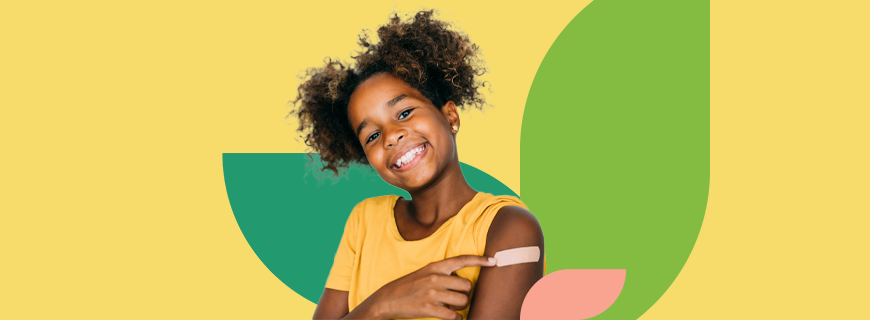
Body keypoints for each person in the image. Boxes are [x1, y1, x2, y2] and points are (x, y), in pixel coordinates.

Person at [290, 10, 545, 320]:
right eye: (372, 135)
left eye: (404, 113)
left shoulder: (509, 228)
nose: (391, 136)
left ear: (450, 116)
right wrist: (382, 304)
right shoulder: (364, 222)